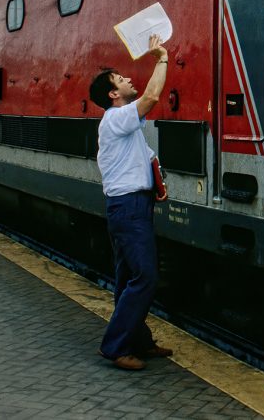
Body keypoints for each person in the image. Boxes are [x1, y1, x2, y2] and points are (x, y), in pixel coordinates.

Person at [87, 34, 172, 371]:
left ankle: (138, 341)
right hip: (128, 208)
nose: (128, 80)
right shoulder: (115, 118)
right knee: (145, 277)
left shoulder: (124, 124)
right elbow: (152, 96)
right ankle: (115, 346)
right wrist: (161, 58)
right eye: (121, 80)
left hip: (130, 206)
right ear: (113, 94)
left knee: (128, 279)